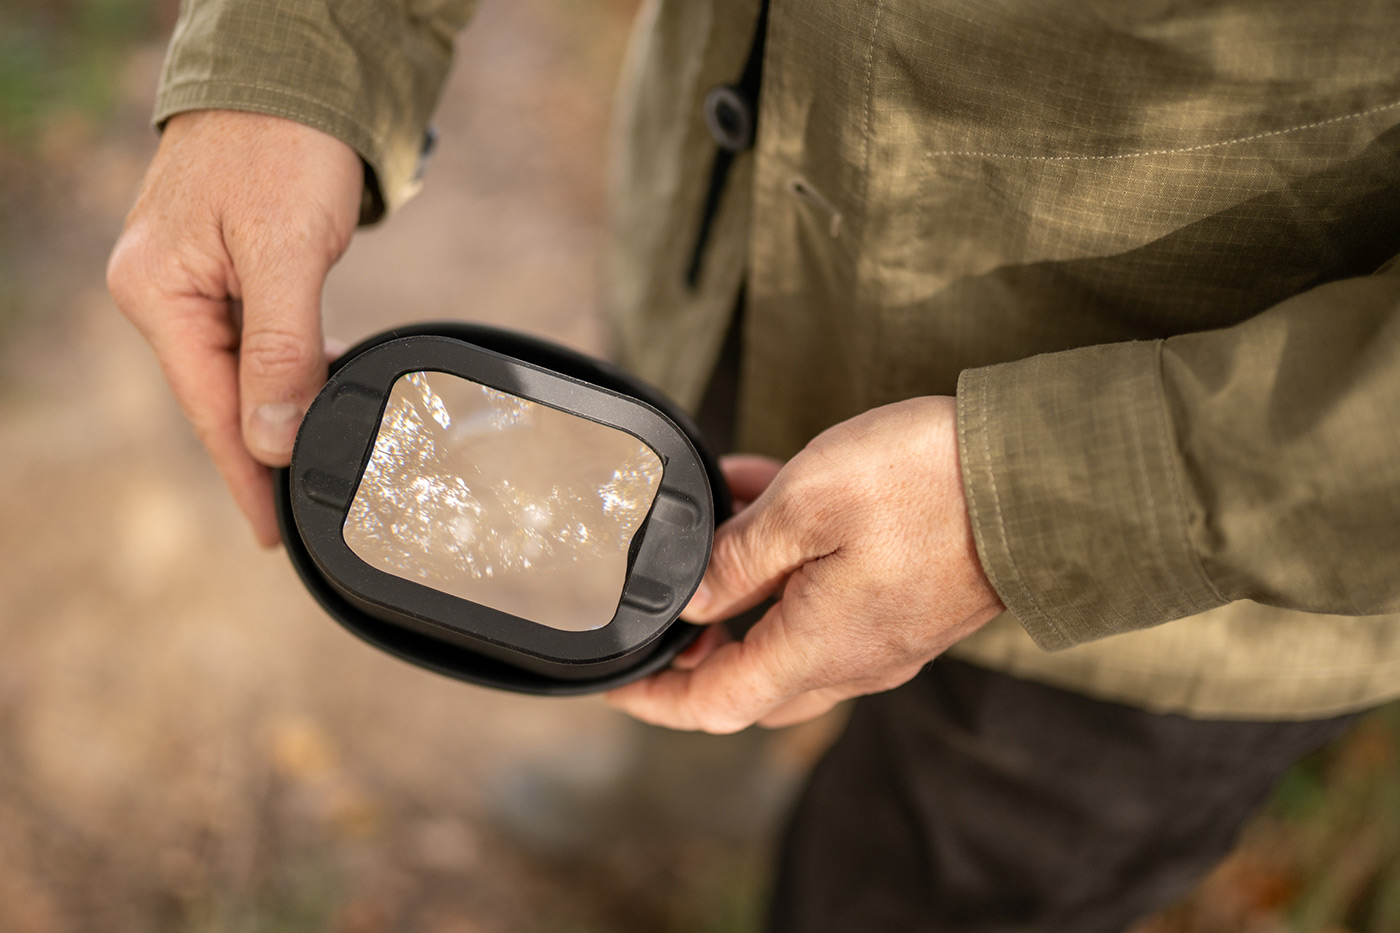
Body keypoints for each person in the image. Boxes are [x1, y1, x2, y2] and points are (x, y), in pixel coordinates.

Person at [107, 1, 1400, 930]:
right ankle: (667, 784)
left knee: (922, 891)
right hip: (715, 287)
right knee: (644, 607)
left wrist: (1053, 497)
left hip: (1173, 593)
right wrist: (301, 42)